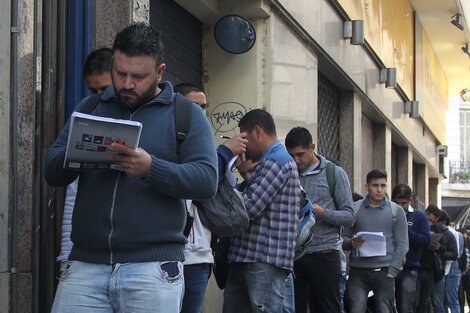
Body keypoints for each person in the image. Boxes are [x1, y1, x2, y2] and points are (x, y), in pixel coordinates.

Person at [45, 23, 218, 313]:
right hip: (86, 265)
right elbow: (51, 170)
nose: (127, 83)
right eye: (120, 73)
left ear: (160, 72)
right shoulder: (90, 107)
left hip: (152, 269)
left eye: (138, 76)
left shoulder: (186, 114)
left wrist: (152, 168)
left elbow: (206, 180)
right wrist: (80, 152)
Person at [174, 82, 247, 313]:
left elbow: (217, 192)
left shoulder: (205, 148)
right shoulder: (168, 144)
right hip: (171, 256)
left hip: (199, 257)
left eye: (204, 106)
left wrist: (238, 167)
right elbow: (198, 184)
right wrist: (224, 152)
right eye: (194, 106)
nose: (201, 112)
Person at [223, 109, 300, 313]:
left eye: (245, 137)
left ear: (257, 131)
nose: (244, 145)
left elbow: (249, 208)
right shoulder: (273, 160)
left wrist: (227, 182)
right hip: (250, 258)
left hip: (262, 261)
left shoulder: (276, 161)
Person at [284, 126, 355, 313]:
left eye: (300, 154)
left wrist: (324, 213)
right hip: (294, 257)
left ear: (312, 147)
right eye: (291, 155)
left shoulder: (334, 173)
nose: (296, 160)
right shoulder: (289, 172)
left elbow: (349, 215)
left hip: (325, 254)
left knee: (326, 308)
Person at [56, 47, 114, 266]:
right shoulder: (86, 120)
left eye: (106, 89)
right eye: (94, 91)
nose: (101, 98)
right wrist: (66, 257)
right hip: (90, 255)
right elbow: (73, 193)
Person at [343, 169, 408, 313]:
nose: (379, 190)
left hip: (384, 271)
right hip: (358, 272)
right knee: (356, 308)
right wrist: (351, 243)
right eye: (375, 185)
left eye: (383, 186)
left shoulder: (396, 212)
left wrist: (393, 270)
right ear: (367, 187)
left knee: (384, 309)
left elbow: (402, 244)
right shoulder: (355, 209)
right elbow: (342, 237)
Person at [391, 184, 431, 313]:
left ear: (410, 201)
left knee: (405, 305)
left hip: (409, 268)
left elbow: (425, 241)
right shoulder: (388, 214)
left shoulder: (419, 217)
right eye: (397, 203)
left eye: (404, 203)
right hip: (387, 266)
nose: (400, 206)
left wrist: (406, 232)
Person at [414, 205, 444, 313]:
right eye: (429, 220)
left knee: (423, 301)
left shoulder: (435, 229)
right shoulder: (416, 224)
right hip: (416, 266)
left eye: (433, 222)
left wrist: (438, 247)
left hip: (429, 269)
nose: (430, 224)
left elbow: (444, 248)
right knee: (413, 300)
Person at [430, 209, 458, 313]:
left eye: (435, 221)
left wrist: (439, 251)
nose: (433, 223)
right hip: (429, 270)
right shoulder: (428, 230)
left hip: (440, 272)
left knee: (442, 302)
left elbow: (455, 254)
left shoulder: (449, 234)